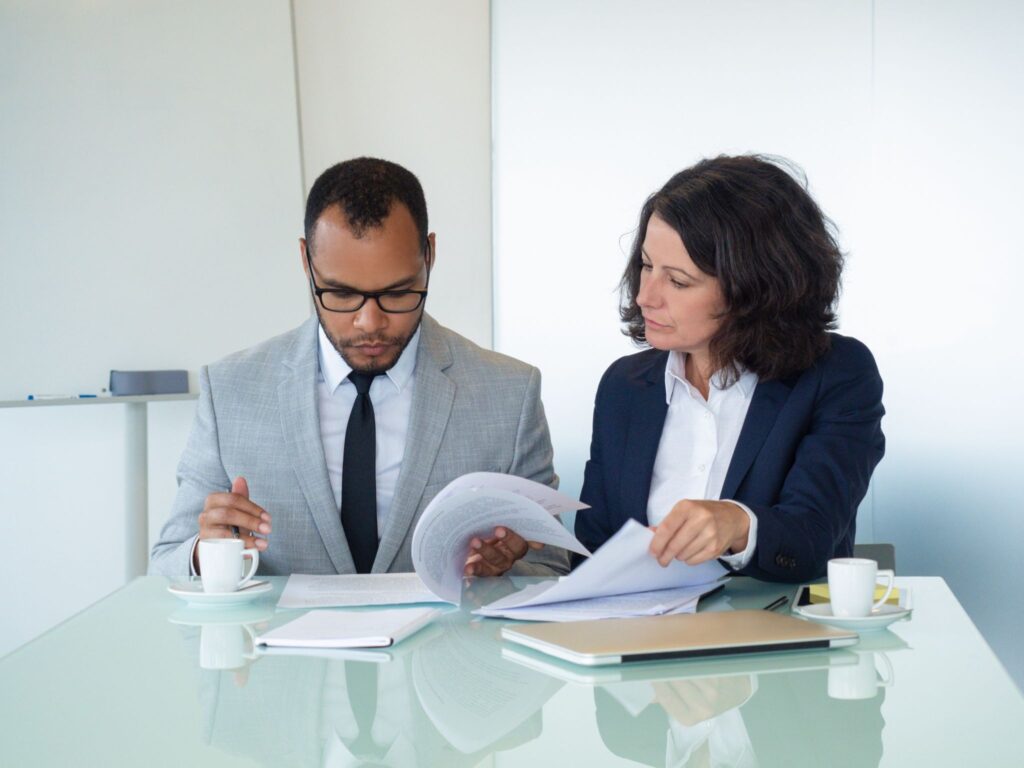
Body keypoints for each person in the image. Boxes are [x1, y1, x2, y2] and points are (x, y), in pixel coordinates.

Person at [151, 157, 568, 579]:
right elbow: (165, 563)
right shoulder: (230, 391)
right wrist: (206, 553)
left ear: (430, 255)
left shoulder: (511, 393)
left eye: (398, 292)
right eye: (342, 293)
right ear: (305, 261)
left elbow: (550, 565)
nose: (370, 323)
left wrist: (505, 570)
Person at [575, 155, 885, 582]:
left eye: (679, 281)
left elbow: (812, 539)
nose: (646, 296)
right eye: (647, 265)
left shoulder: (837, 375)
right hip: (638, 636)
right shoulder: (624, 386)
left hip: (771, 640)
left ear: (754, 289)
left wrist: (737, 525)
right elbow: (593, 551)